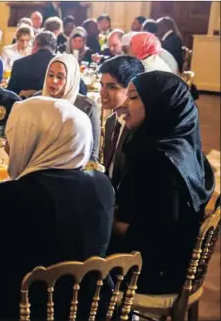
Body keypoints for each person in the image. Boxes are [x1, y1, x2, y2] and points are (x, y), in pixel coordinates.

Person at [0, 96, 114, 320]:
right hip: (90, 307)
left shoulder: (8, 196)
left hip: (30, 309)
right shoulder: (102, 184)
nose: (8, 145)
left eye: (14, 135)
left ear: (36, 139)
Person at [110, 71, 214, 294]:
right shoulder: (182, 143)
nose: (124, 104)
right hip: (176, 262)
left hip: (153, 271)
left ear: (160, 104)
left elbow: (157, 236)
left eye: (134, 97)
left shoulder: (155, 160)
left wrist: (114, 225)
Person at [36, 54, 101, 162]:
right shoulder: (37, 100)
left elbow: (92, 154)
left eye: (60, 77)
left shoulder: (86, 107)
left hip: (74, 170)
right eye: (50, 75)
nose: (54, 81)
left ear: (71, 79)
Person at [98, 56, 145, 186]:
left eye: (112, 87)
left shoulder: (137, 129)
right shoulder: (111, 121)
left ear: (132, 89)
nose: (102, 92)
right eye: (102, 85)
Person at [7, 31, 56, 96]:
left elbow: (11, 93)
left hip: (24, 104)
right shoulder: (61, 65)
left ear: (35, 45)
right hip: (53, 105)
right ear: (54, 47)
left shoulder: (19, 64)